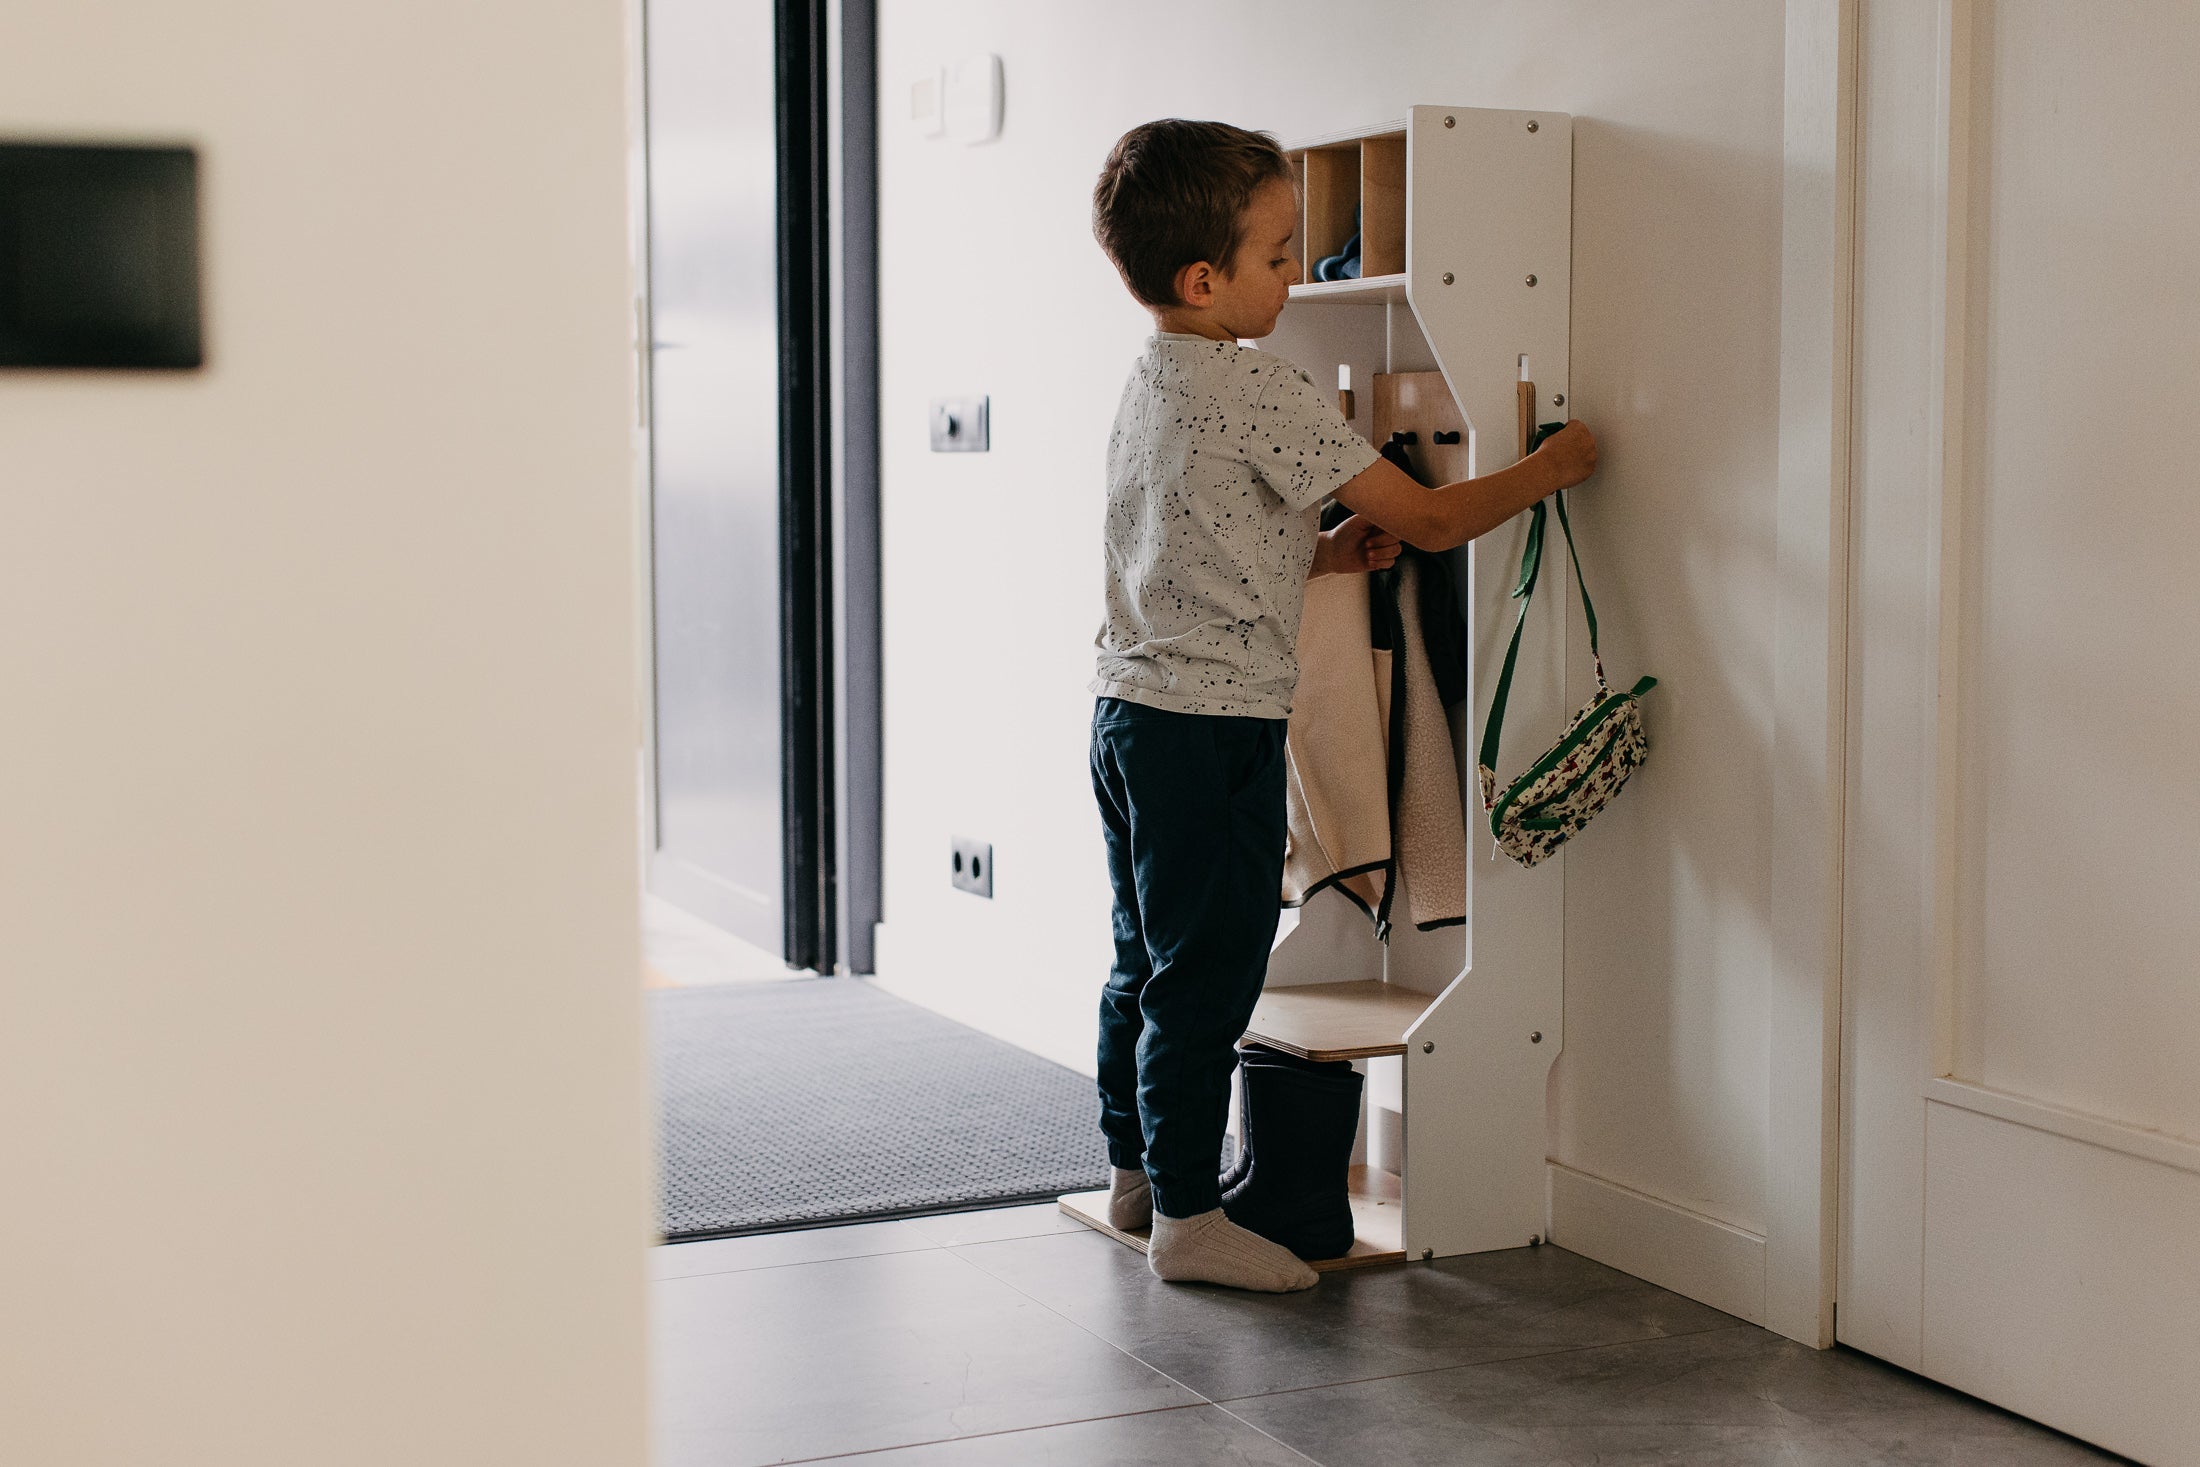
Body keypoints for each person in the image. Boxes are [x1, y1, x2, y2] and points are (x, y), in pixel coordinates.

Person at [1086, 118, 1599, 1292]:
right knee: (1209, 975)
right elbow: (1429, 520)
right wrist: (1550, 469)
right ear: (1203, 279)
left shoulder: (1153, 376)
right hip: (1211, 730)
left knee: (1143, 957)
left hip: (1128, 711)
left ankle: (1134, 1170)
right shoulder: (1258, 387)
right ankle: (1190, 1222)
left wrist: (1317, 556)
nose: (1289, 273)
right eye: (1276, 256)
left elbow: (1189, 548)